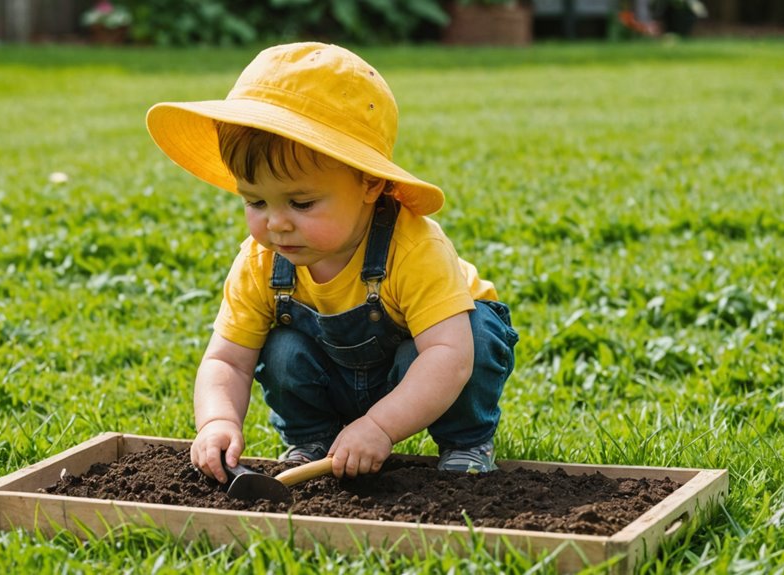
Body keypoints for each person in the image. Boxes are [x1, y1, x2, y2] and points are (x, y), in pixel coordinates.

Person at [146, 43, 519, 483]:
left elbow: (449, 359)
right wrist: (217, 422)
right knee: (283, 349)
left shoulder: (414, 249)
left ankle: (466, 443)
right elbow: (227, 360)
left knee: (473, 334)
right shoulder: (263, 262)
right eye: (256, 201)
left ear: (370, 182)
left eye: (301, 202)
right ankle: (313, 440)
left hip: (429, 367)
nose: (277, 224)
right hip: (339, 376)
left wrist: (380, 426)